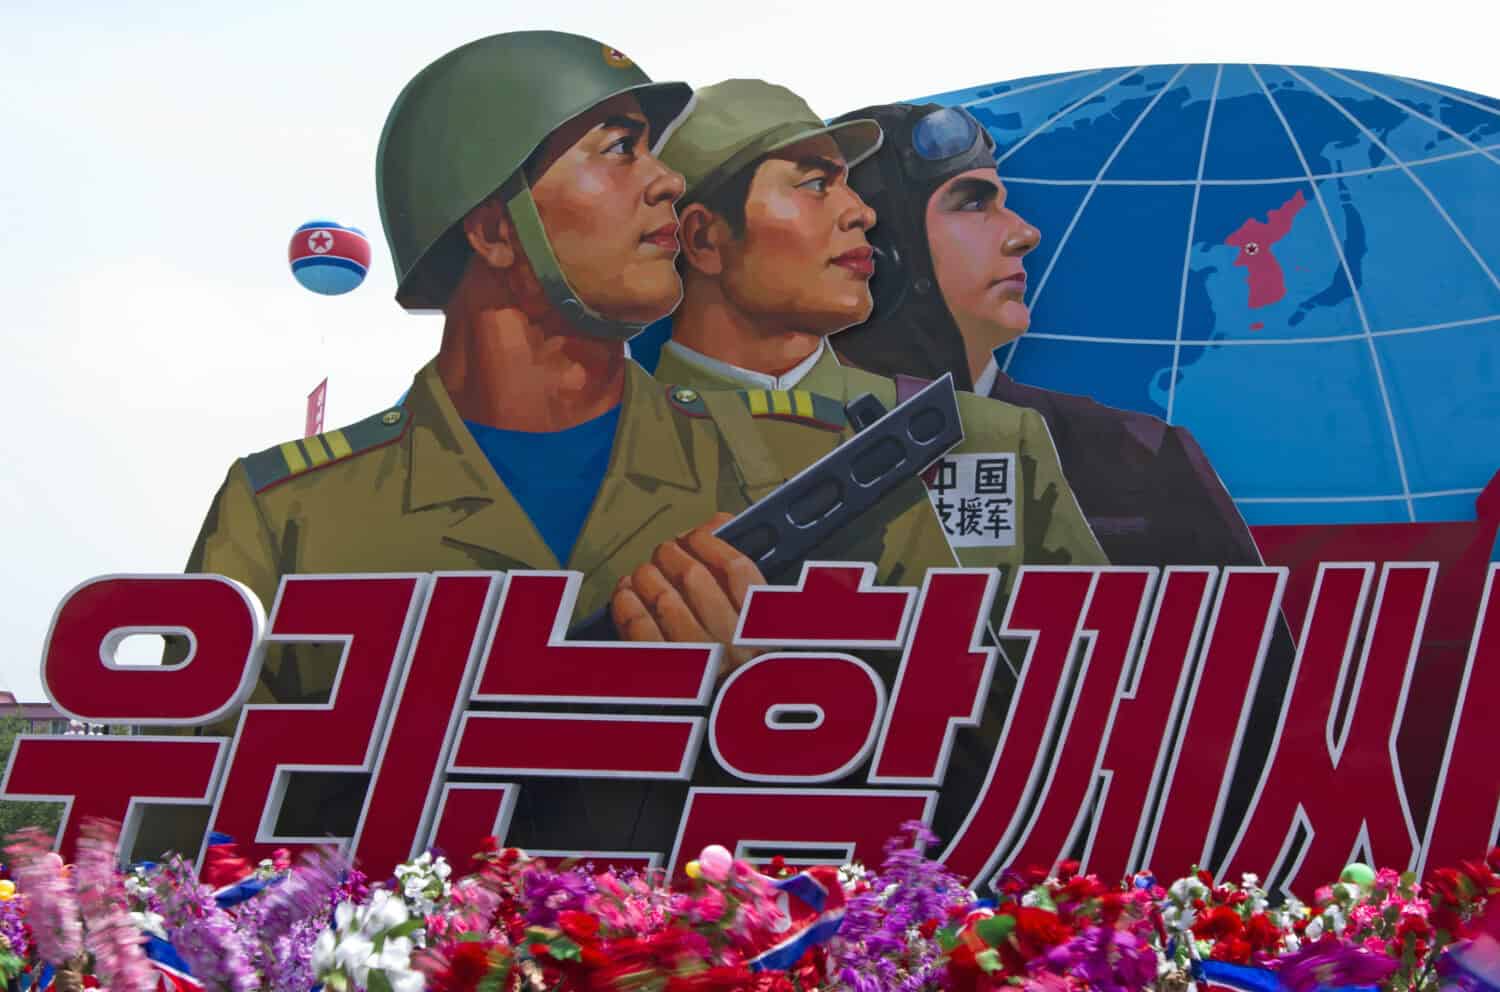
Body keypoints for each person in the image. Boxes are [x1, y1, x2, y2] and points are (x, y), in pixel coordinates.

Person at [144, 34, 956, 860]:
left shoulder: (815, 464)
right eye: (619, 151)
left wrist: (785, 705)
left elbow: (993, 776)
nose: (669, 182)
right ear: (497, 229)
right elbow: (183, 849)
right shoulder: (289, 517)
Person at [653, 79, 1107, 586]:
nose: (862, 213)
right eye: (813, 184)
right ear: (702, 237)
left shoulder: (988, 436)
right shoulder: (610, 441)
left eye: (845, 183)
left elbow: (1100, 651)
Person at [829, 101, 1262, 568]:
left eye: (1001, 201)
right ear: (881, 256)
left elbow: (1252, 638)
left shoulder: (1142, 455)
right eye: (974, 203)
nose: (1025, 234)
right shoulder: (767, 452)